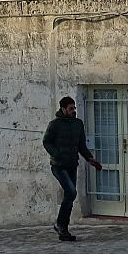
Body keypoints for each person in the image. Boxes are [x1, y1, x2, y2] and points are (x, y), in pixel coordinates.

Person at [42, 95, 102, 241]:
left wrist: (90, 158)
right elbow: (46, 142)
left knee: (70, 195)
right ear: (63, 109)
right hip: (58, 166)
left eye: (74, 108)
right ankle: (60, 224)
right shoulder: (54, 124)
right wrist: (57, 154)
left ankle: (63, 228)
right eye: (70, 108)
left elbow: (81, 146)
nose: (73, 110)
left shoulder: (78, 124)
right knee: (71, 191)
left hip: (71, 165)